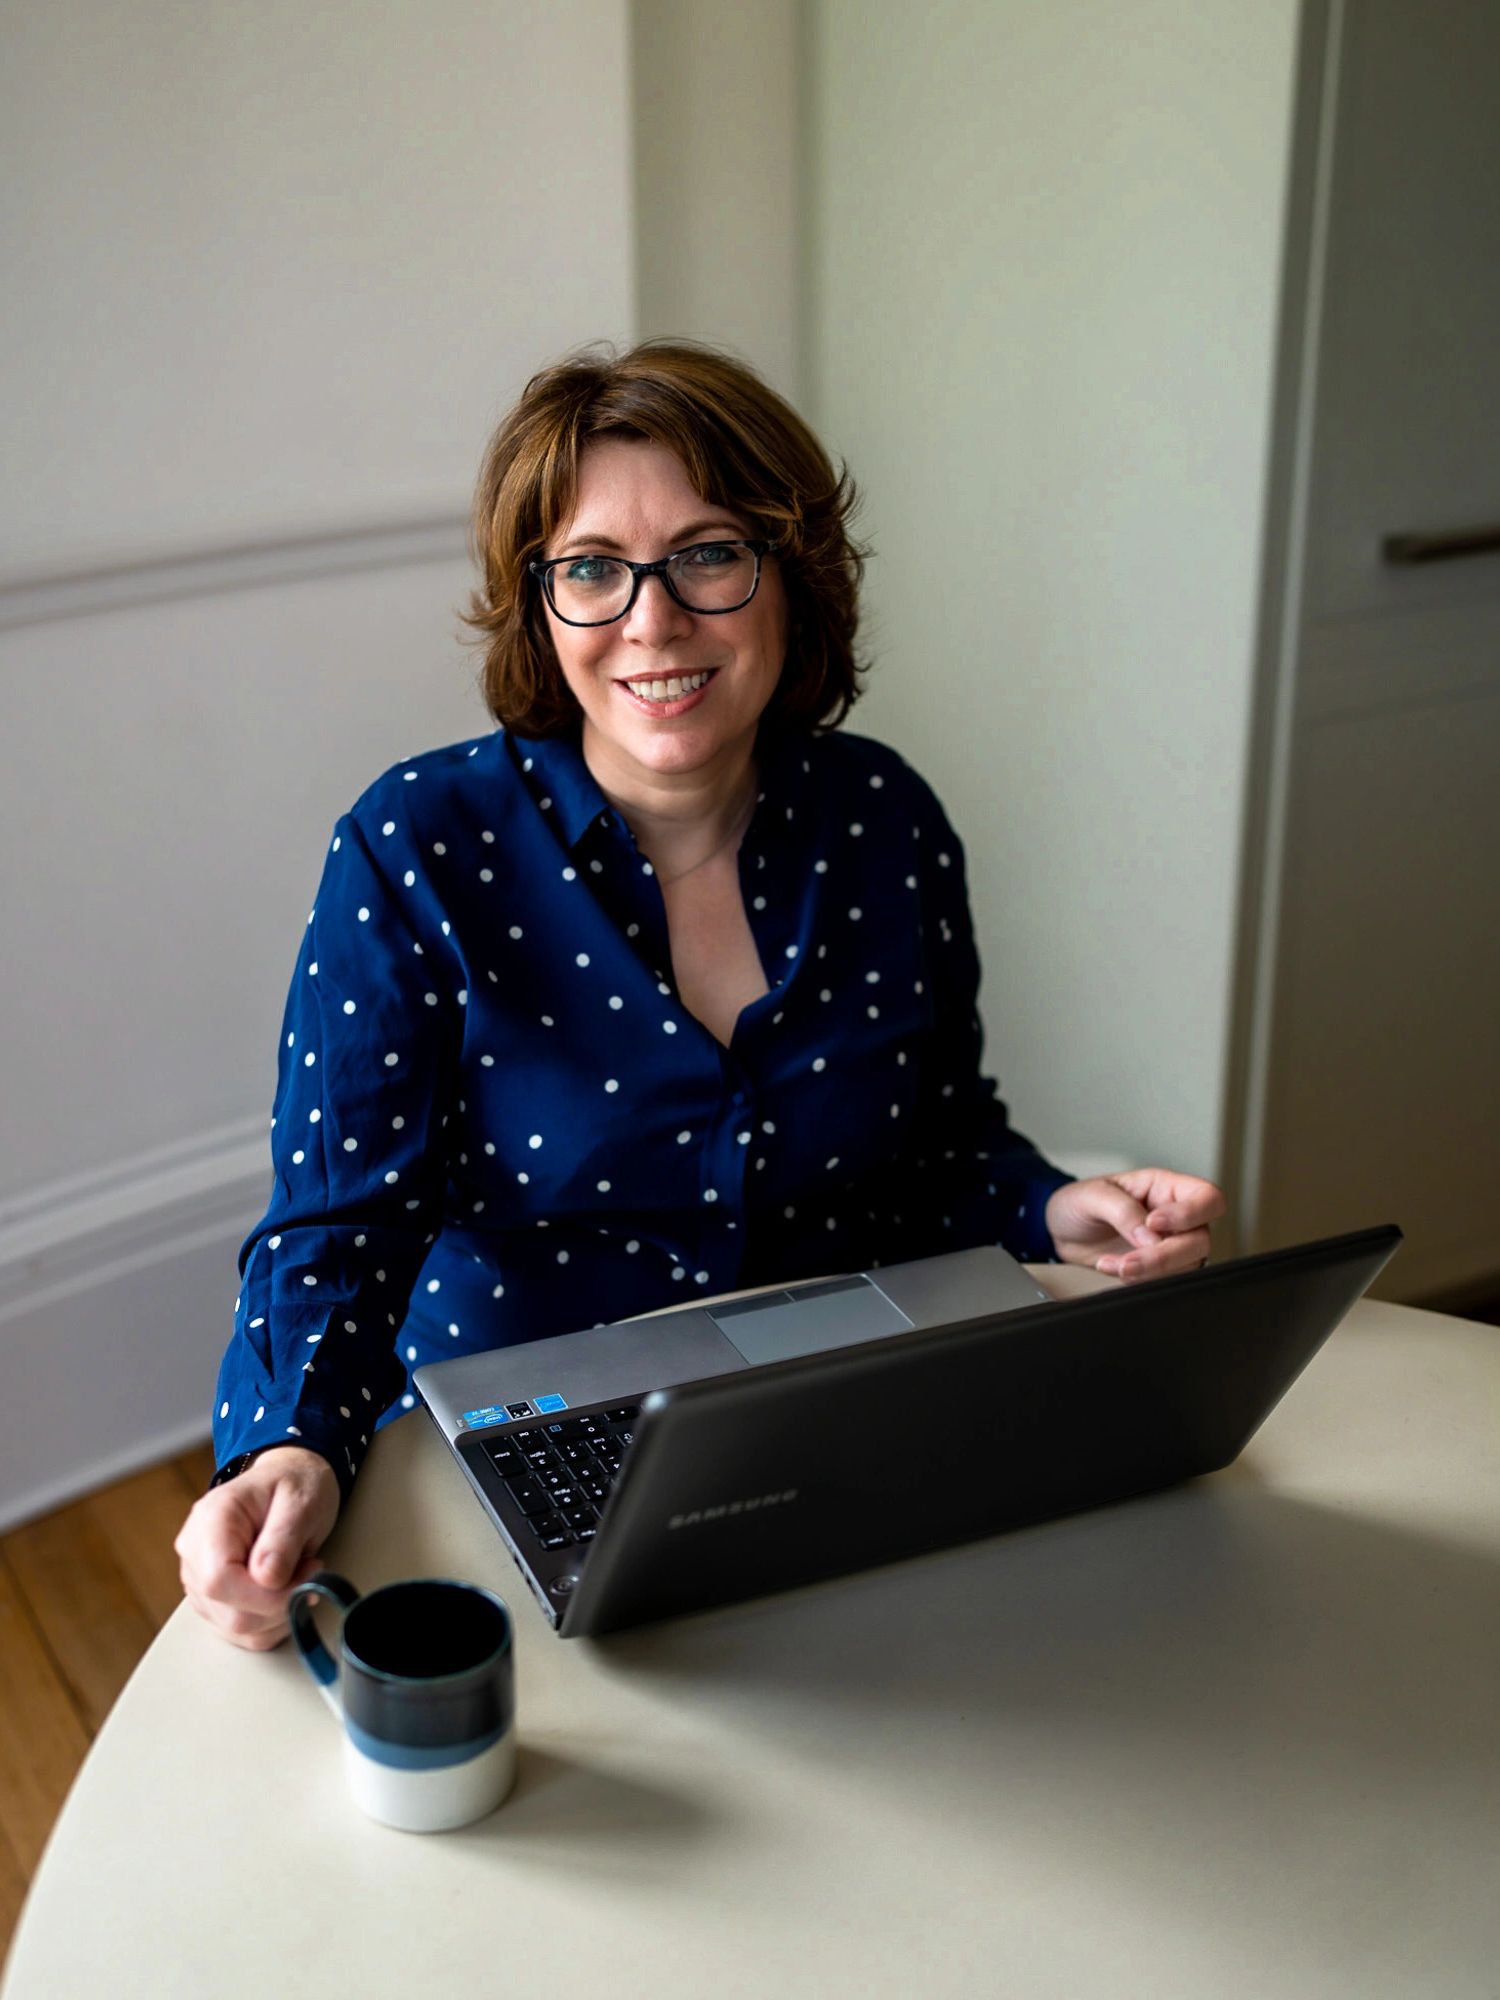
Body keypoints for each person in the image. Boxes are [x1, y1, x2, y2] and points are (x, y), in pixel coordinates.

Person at [176, 340, 1224, 1648]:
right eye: (592, 571)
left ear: (793, 576)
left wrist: (1054, 1204)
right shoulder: (417, 847)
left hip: (832, 1415)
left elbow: (940, 1146)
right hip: (519, 1441)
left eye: (709, 554)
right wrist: (288, 1448)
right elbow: (337, 1228)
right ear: (539, 607)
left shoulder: (887, 820)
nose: (653, 621)